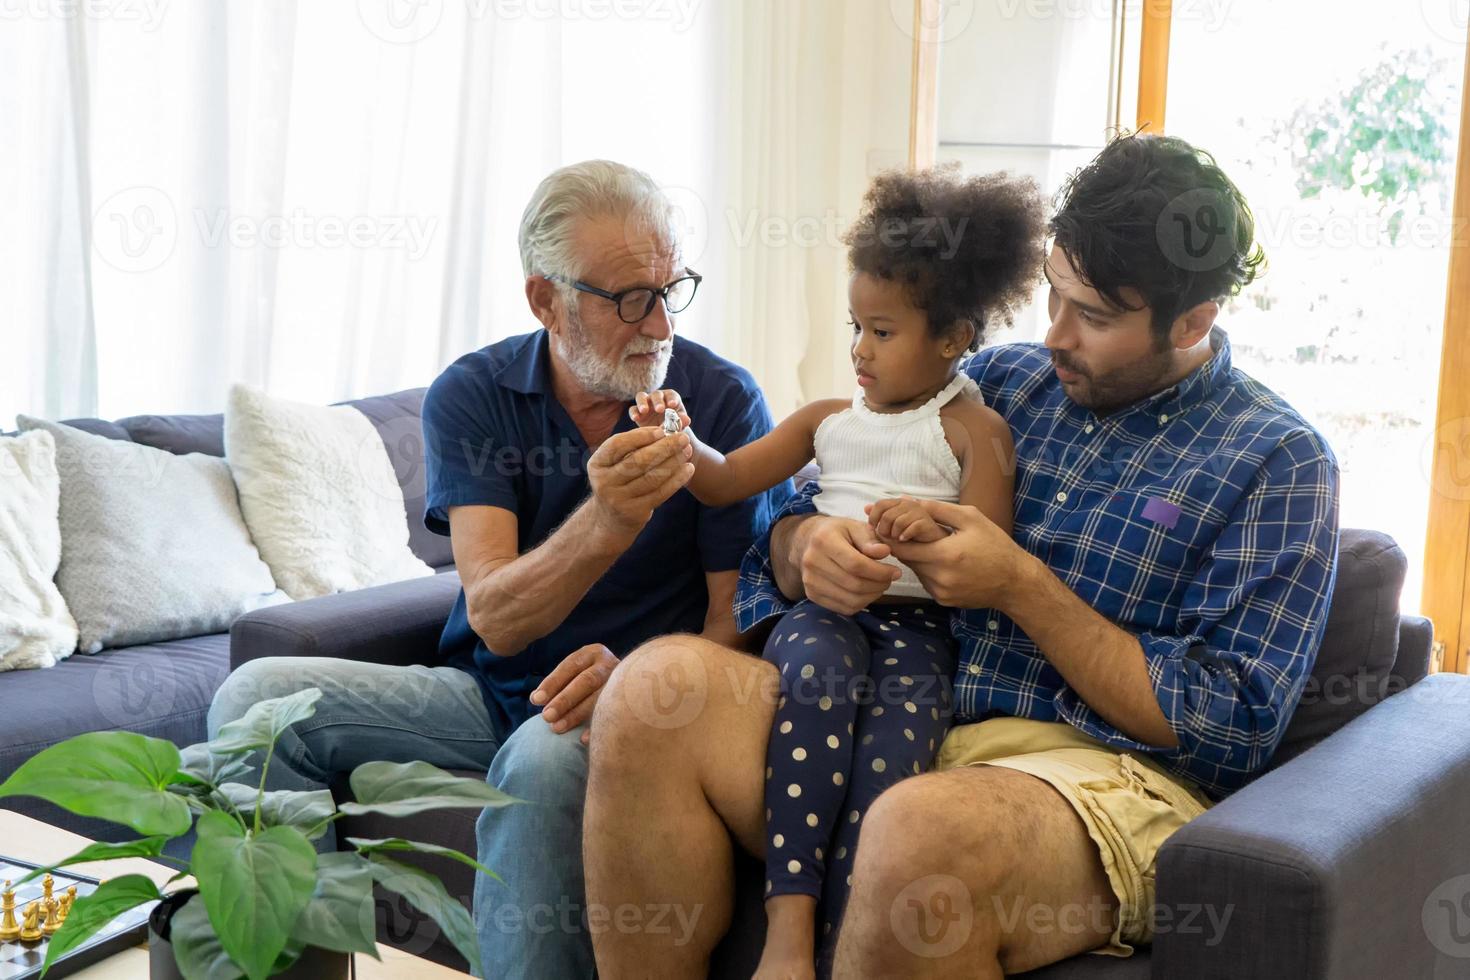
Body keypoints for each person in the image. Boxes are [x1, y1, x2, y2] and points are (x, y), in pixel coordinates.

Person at [583, 133, 1340, 978]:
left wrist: (1020, 586)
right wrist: (810, 550)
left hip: (1097, 776)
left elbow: (1231, 724)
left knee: (916, 830)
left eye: (1092, 317)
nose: (1055, 337)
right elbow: (792, 521)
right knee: (648, 692)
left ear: (1194, 320)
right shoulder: (997, 383)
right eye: (1054, 297)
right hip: (899, 708)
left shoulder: (1276, 460)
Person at [207, 159, 789, 979]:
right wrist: (610, 520)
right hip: (487, 691)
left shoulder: (722, 400)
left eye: (671, 289)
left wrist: (638, 683)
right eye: (628, 299)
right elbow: (498, 616)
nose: (659, 325)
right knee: (255, 702)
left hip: (629, 713)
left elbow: (744, 620)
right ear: (545, 300)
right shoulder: (474, 395)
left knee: (540, 761)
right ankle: (288, 966)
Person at [625, 167, 1045, 977]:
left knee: (890, 759)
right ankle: (787, 933)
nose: (857, 349)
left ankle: (841, 939)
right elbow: (723, 480)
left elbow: (988, 548)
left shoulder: (976, 430)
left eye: (882, 332)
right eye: (857, 325)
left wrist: (928, 526)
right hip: (824, 615)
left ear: (953, 337)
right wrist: (679, 435)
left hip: (922, 631)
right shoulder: (825, 422)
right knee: (814, 678)